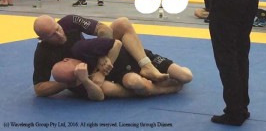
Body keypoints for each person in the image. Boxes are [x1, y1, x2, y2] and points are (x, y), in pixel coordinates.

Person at [33, 14, 169, 97]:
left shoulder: (69, 21)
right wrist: (67, 83)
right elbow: (39, 88)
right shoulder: (42, 53)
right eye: (53, 35)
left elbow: (103, 29)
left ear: (57, 22)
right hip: (85, 77)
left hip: (94, 56)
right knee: (105, 90)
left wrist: (102, 55)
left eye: (58, 29)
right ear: (42, 38)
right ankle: (149, 90)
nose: (60, 35)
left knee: (122, 23)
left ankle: (146, 65)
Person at [51, 38, 193, 101]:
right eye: (76, 74)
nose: (80, 69)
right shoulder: (79, 82)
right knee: (135, 83)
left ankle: (153, 72)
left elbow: (116, 43)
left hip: (136, 57)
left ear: (67, 59)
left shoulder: (81, 49)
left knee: (186, 77)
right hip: (124, 73)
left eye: (76, 67)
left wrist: (101, 72)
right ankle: (166, 88)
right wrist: (85, 80)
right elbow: (101, 95)